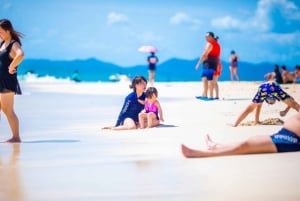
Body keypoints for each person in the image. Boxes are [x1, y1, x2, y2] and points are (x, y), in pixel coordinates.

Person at [181, 111, 300, 158]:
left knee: (246, 146)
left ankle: (201, 154)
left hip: (290, 140)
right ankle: (216, 146)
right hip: (285, 134)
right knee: (249, 141)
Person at [232, 81, 300, 127]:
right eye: (271, 102)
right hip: (273, 87)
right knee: (295, 105)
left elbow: (258, 108)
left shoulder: (263, 98)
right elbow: (293, 101)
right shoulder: (278, 96)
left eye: (270, 102)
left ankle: (235, 124)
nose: (271, 102)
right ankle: (235, 124)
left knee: (249, 109)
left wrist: (257, 121)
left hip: (263, 87)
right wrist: (285, 111)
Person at [0, 19, 24, 143]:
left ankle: (16, 137)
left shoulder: (13, 44)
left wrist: (12, 66)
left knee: (8, 109)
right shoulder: (2, 43)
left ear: (8, 30)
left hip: (7, 81)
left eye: (0, 31)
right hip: (1, 80)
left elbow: (21, 54)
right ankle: (15, 136)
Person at [195, 32, 221, 99]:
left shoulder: (210, 44)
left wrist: (198, 63)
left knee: (208, 80)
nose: (206, 38)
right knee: (206, 79)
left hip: (209, 64)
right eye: (205, 36)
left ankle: (209, 96)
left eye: (208, 36)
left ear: (212, 37)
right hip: (213, 63)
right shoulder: (217, 44)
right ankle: (206, 95)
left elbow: (204, 54)